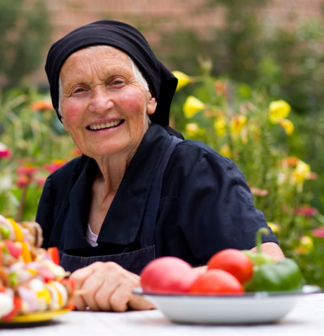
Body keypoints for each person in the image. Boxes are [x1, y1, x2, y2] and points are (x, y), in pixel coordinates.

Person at [36, 20, 284, 312]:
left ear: (151, 97)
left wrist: (152, 289)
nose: (100, 104)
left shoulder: (194, 169)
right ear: (63, 115)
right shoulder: (60, 187)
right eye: (79, 90)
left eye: (116, 82)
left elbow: (269, 265)